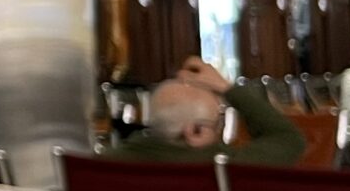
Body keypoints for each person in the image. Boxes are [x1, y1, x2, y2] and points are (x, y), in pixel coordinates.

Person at [110, 56, 304, 164]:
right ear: (195, 132)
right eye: (218, 122)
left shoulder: (110, 163)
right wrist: (227, 88)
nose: (219, 130)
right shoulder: (226, 165)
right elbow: (288, 138)